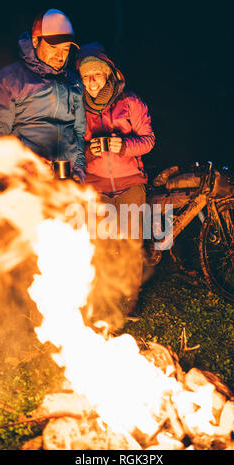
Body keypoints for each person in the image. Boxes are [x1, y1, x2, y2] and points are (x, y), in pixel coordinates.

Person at [76, 42, 155, 318]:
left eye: (96, 75)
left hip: (130, 182)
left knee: (132, 243)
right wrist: (88, 151)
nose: (91, 82)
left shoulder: (130, 103)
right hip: (96, 185)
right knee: (100, 244)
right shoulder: (78, 109)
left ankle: (131, 298)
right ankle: (103, 297)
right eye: (85, 76)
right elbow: (71, 149)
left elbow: (148, 141)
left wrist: (122, 145)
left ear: (108, 73)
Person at [0, 8, 86, 182]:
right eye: (53, 47)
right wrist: (26, 164)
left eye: (66, 49)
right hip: (28, 183)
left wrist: (79, 171)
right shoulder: (9, 79)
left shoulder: (73, 82)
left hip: (66, 183)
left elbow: (79, 132)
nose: (60, 56)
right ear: (36, 41)